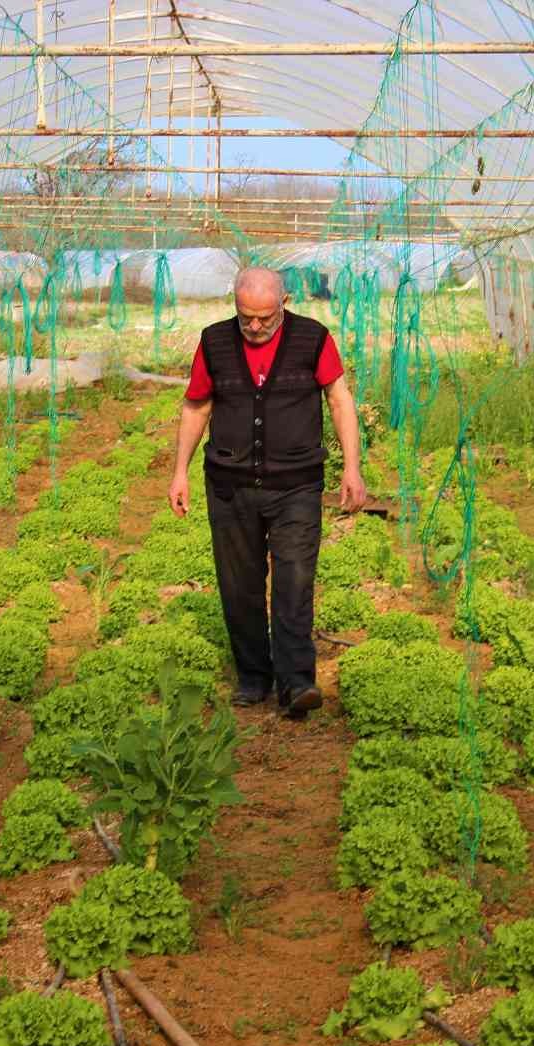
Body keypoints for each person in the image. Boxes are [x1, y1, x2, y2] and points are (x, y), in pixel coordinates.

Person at [168, 266, 367, 719]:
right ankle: (254, 677)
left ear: (285, 302)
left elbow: (339, 399)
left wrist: (351, 468)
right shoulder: (215, 342)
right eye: (246, 318)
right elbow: (197, 405)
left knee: (294, 580)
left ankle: (297, 682)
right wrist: (179, 471)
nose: (255, 327)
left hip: (296, 483)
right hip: (229, 485)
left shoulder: (313, 338)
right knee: (239, 585)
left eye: (265, 318)